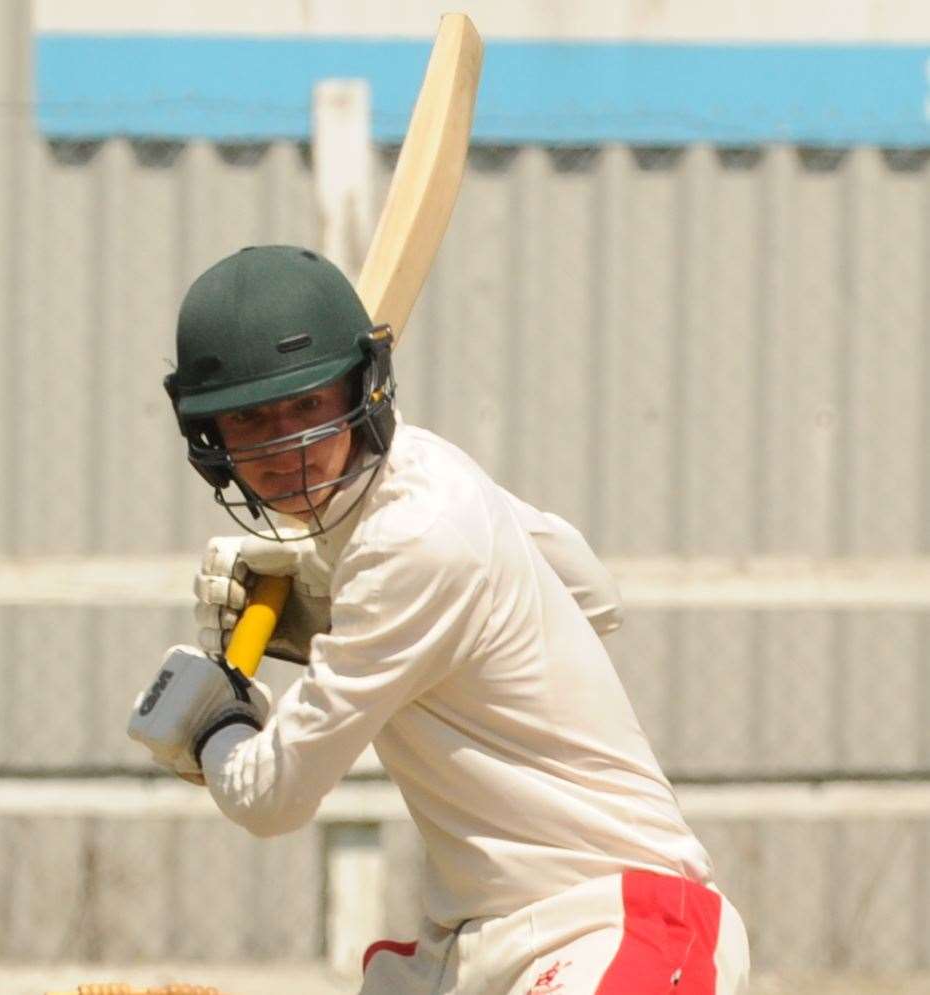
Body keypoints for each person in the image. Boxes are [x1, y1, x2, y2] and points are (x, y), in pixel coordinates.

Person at [129, 245, 750, 994]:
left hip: (612, 927)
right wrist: (322, 608)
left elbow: (270, 795)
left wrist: (215, 724)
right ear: (211, 438)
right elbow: (589, 591)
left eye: (308, 404)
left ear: (363, 389)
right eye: (252, 418)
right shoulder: (431, 470)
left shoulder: (411, 538)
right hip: (480, 947)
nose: (286, 445)